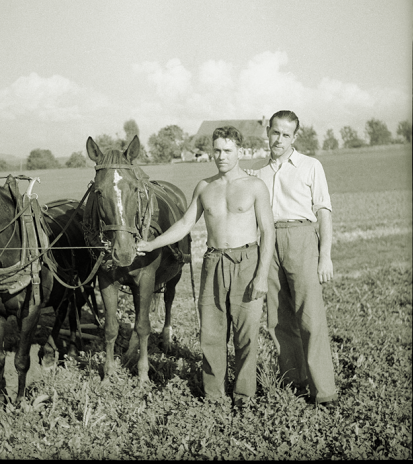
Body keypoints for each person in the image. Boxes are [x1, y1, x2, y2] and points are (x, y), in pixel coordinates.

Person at [136, 126, 275, 406]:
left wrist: (261, 275)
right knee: (211, 333)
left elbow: (268, 232)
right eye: (217, 150)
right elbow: (186, 224)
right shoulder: (204, 186)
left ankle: (244, 396)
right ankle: (214, 396)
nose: (221, 156)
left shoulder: (255, 186)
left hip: (246, 261)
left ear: (239, 151)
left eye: (227, 151)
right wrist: (153, 244)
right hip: (213, 262)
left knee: (246, 334)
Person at [248, 110, 338, 407]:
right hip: (269, 243)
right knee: (278, 319)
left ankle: (323, 392)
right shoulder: (258, 175)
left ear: (294, 137)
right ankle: (295, 382)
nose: (279, 139)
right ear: (268, 132)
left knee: (310, 317)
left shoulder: (311, 166)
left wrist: (325, 256)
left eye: (286, 134)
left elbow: (323, 211)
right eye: (275, 132)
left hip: (302, 240)